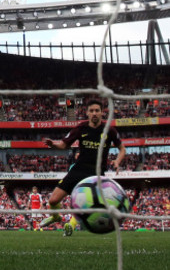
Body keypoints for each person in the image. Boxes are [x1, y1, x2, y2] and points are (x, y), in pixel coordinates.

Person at [40, 98, 126, 236]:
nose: (94, 113)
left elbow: (122, 149)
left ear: (102, 112)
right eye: (91, 111)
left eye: (97, 110)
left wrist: (117, 161)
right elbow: (63, 144)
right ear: (87, 113)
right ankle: (56, 217)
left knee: (85, 203)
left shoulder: (109, 130)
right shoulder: (81, 128)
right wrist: (53, 144)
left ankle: (71, 226)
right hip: (78, 168)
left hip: (96, 173)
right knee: (53, 200)